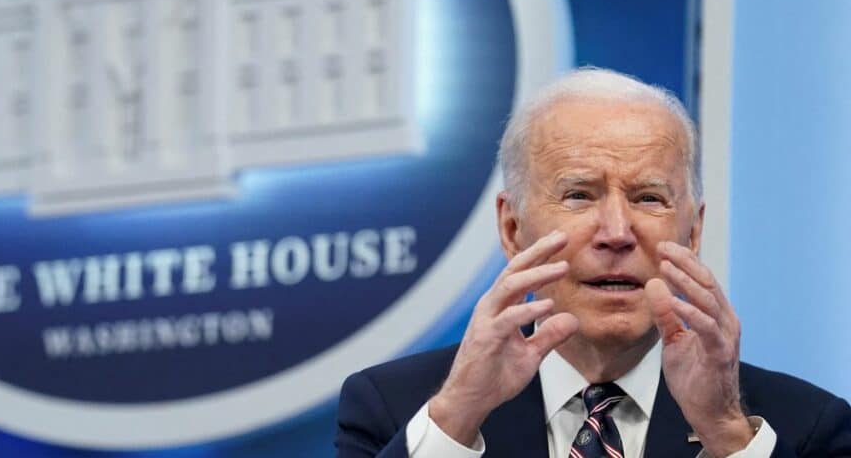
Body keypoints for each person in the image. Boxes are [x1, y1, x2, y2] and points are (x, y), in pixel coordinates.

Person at [334, 68, 851, 457]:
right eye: (579, 195)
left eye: (649, 198)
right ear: (512, 228)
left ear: (692, 231)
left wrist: (724, 431)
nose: (617, 233)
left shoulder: (803, 426)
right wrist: (457, 420)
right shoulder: (396, 408)